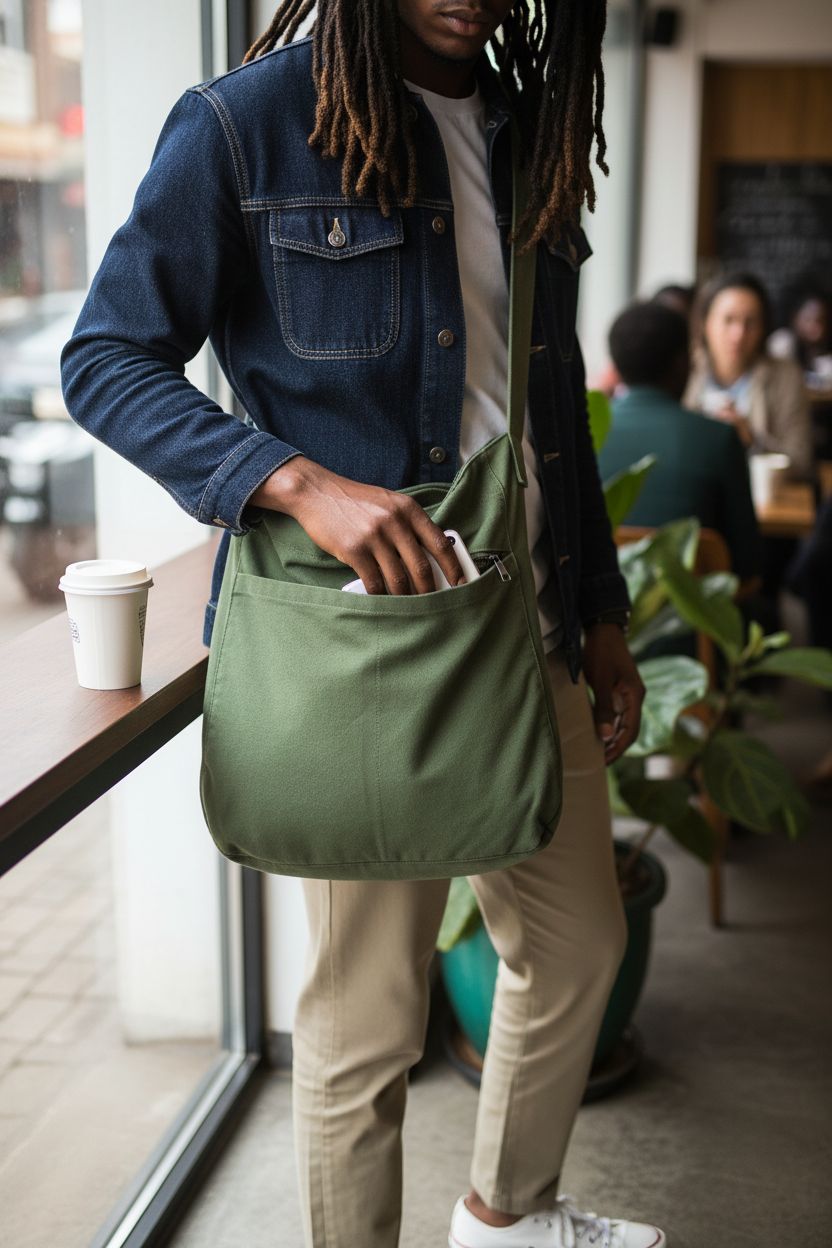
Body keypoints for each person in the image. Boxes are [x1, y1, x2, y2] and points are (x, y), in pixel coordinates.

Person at [60, 4, 664, 1247]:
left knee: (579, 942)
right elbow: (108, 357)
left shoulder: (520, 127)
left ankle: (503, 1215)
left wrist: (597, 607)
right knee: (369, 1015)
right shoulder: (246, 124)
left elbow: (545, 401)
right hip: (372, 652)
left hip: (531, 622)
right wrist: (295, 482)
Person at [599, 301, 762, 580]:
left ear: (616, 365)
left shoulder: (586, 433)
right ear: (681, 363)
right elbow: (748, 564)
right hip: (694, 620)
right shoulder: (720, 439)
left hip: (597, 618)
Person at [684, 271, 813, 480]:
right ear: (705, 323)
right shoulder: (683, 370)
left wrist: (752, 441)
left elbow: (801, 463)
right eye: (728, 320)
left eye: (750, 322)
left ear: (764, 328)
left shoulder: (786, 376)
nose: (739, 334)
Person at [768, 287, 832, 389]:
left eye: (821, 321)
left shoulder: (822, 349)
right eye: (808, 320)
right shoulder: (783, 342)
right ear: (795, 318)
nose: (816, 328)